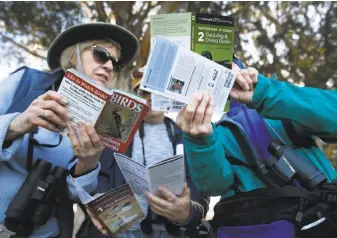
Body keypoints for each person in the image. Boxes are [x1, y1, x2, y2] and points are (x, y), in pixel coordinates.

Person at [0, 22, 139, 238]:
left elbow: (78, 194)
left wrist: (89, 162)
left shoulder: (112, 120)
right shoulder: (25, 81)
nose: (110, 66)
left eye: (116, 63)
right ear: (73, 55)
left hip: (47, 231)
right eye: (101, 54)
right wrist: (18, 124)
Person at [174, 57, 337, 238]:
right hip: (258, 225)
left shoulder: (281, 100)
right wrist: (199, 141)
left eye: (227, 64)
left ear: (243, 68)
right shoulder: (211, 131)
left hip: (324, 213)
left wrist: (264, 92)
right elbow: (214, 185)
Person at [77, 73, 209, 238]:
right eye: (145, 93)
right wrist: (101, 203)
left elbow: (197, 180)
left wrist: (189, 211)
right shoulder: (118, 130)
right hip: (122, 228)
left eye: (156, 93)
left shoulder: (184, 134)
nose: (150, 98)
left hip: (169, 230)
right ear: (137, 98)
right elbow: (102, 171)